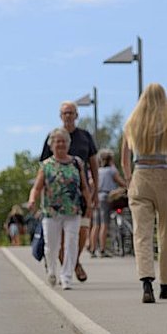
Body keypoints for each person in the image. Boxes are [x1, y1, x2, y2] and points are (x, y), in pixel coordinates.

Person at [120, 83, 167, 304]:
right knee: (166, 232)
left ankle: (146, 281)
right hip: (164, 177)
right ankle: (166, 282)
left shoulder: (132, 122)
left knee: (142, 233)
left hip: (140, 176)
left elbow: (124, 159)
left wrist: (130, 180)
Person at [40, 101, 98, 279]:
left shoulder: (85, 137)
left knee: (81, 232)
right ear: (60, 116)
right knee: (61, 237)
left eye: (71, 113)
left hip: (80, 193)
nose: (68, 116)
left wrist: (94, 188)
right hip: (56, 197)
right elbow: (43, 168)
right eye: (65, 113)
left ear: (77, 115)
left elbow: (94, 164)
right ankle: (71, 266)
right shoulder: (53, 136)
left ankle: (74, 261)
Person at [28, 128, 85, 290]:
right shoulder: (46, 165)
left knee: (71, 243)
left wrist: (89, 202)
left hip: (73, 210)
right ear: (51, 145)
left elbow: (84, 186)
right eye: (57, 141)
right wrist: (32, 200)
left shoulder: (76, 163)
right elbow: (37, 188)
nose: (60, 144)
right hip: (51, 212)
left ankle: (66, 276)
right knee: (52, 246)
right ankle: (52, 270)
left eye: (63, 141)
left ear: (68, 144)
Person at [91, 150, 125, 258]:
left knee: (96, 224)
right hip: (106, 197)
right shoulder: (111, 171)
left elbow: (92, 183)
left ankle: (92, 249)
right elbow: (121, 182)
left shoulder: (98, 171)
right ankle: (102, 249)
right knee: (104, 224)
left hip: (97, 197)